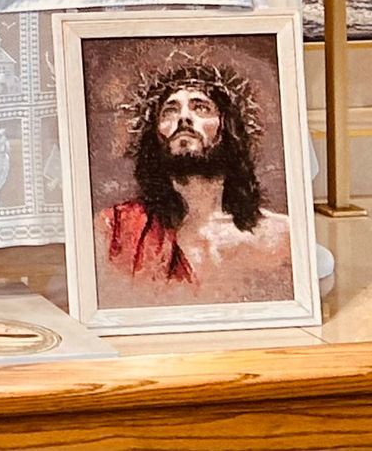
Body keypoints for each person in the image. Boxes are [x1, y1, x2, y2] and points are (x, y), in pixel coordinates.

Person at [95, 57, 293, 305]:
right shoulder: (114, 228)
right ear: (155, 133)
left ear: (227, 127)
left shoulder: (280, 235)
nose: (184, 118)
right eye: (170, 110)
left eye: (201, 108)